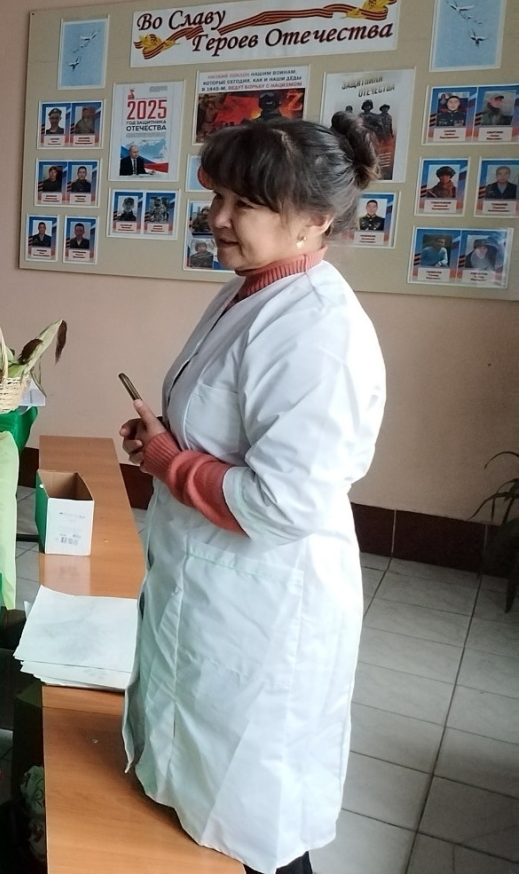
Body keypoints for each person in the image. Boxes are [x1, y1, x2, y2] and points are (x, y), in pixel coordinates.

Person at [119, 113, 386, 874]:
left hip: (265, 606)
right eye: (219, 197)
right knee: (198, 797)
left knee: (256, 822)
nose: (218, 218)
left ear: (315, 220)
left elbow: (281, 503)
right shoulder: (253, 289)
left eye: (245, 204)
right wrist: (167, 441)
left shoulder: (320, 331)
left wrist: (170, 461)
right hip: (208, 585)